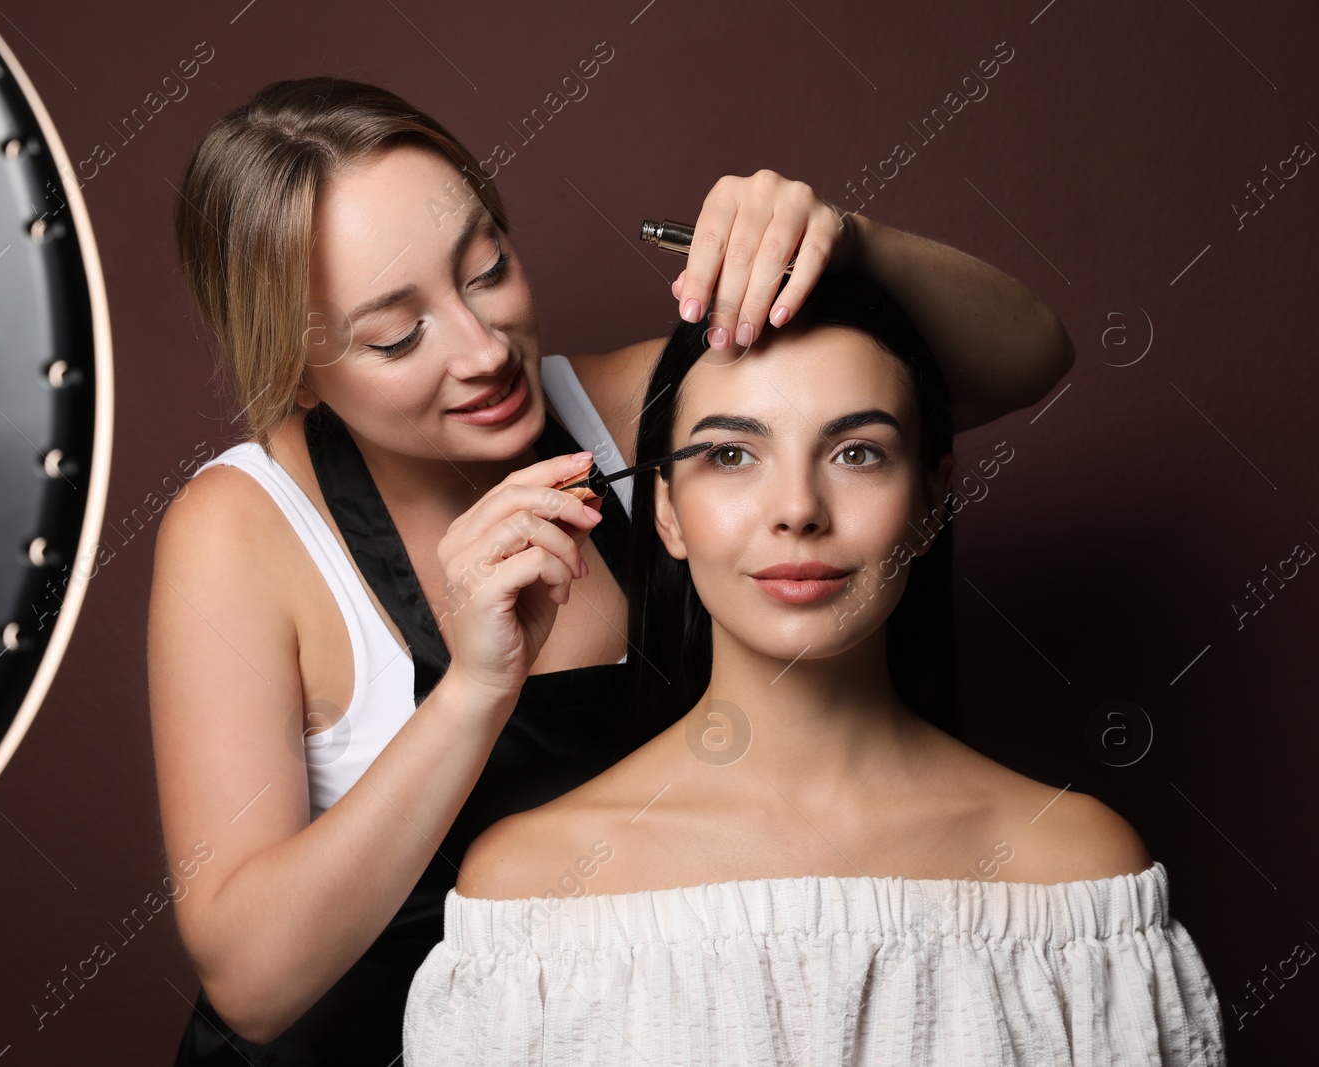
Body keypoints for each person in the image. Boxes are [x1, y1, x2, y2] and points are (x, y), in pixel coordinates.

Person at [150, 75, 1079, 1065]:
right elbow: (253, 981)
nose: (482, 350)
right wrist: (472, 690)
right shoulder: (241, 529)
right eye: (398, 333)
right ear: (294, 366)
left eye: (485, 268)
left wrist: (843, 244)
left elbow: (1025, 358)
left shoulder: (638, 416)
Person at [402, 267, 1226, 1065]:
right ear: (665, 510)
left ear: (932, 501)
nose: (798, 509)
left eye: (857, 453)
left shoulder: (1078, 880)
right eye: (730, 455)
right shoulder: (530, 893)